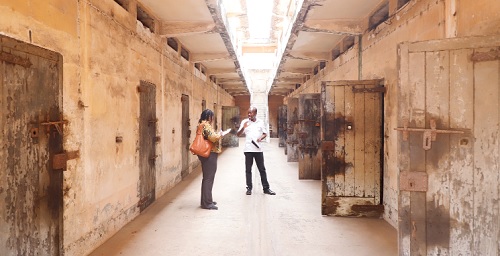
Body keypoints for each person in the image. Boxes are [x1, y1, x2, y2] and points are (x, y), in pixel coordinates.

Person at [237, 106, 276, 196]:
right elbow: (238, 134)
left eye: (251, 113)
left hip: (258, 149)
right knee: (248, 170)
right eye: (248, 113)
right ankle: (249, 188)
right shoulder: (245, 122)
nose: (249, 115)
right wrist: (243, 127)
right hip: (248, 149)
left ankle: (266, 188)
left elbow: (265, 133)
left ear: (255, 113)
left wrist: (260, 138)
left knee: (262, 169)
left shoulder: (260, 122)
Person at [197, 109, 224, 210]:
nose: (212, 119)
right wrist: (220, 134)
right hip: (209, 153)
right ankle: (207, 203)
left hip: (207, 153)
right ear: (209, 117)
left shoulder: (202, 124)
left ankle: (206, 200)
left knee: (207, 178)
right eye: (212, 117)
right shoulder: (206, 125)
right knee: (209, 178)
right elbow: (213, 138)